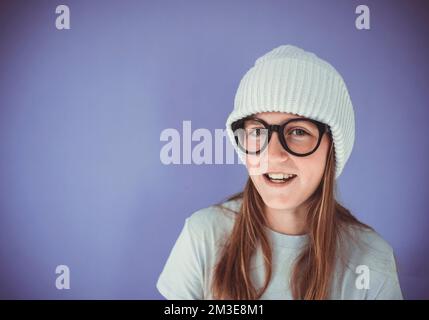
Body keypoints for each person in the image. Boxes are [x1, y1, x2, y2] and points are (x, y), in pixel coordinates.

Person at [156, 45, 403, 300]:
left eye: (298, 132)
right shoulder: (203, 237)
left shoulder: (372, 262)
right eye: (257, 132)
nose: (273, 155)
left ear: (333, 148)